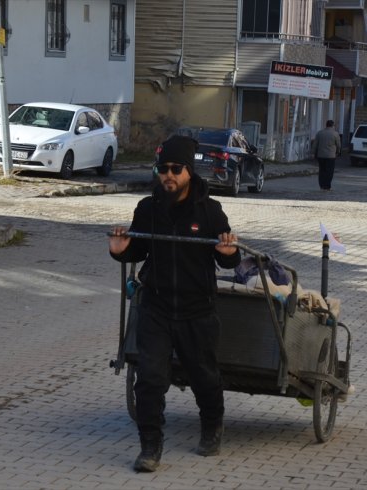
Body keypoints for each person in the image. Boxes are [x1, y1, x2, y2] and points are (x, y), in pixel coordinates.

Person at [109, 135, 241, 473]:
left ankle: (212, 426)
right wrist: (120, 249)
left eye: (175, 169)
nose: (167, 175)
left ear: (189, 171)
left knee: (204, 376)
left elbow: (228, 261)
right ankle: (150, 446)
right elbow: (137, 252)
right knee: (150, 379)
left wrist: (229, 252)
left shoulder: (210, 211)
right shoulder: (147, 209)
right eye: (162, 168)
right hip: (156, 307)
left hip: (198, 310)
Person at [312, 120, 342, 191]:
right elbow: (338, 145)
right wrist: (338, 152)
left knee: (322, 170)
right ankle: (327, 186)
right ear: (332, 126)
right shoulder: (335, 134)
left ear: (326, 125)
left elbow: (315, 144)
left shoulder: (320, 133)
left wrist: (313, 153)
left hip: (321, 155)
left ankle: (322, 185)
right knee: (329, 171)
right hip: (331, 156)